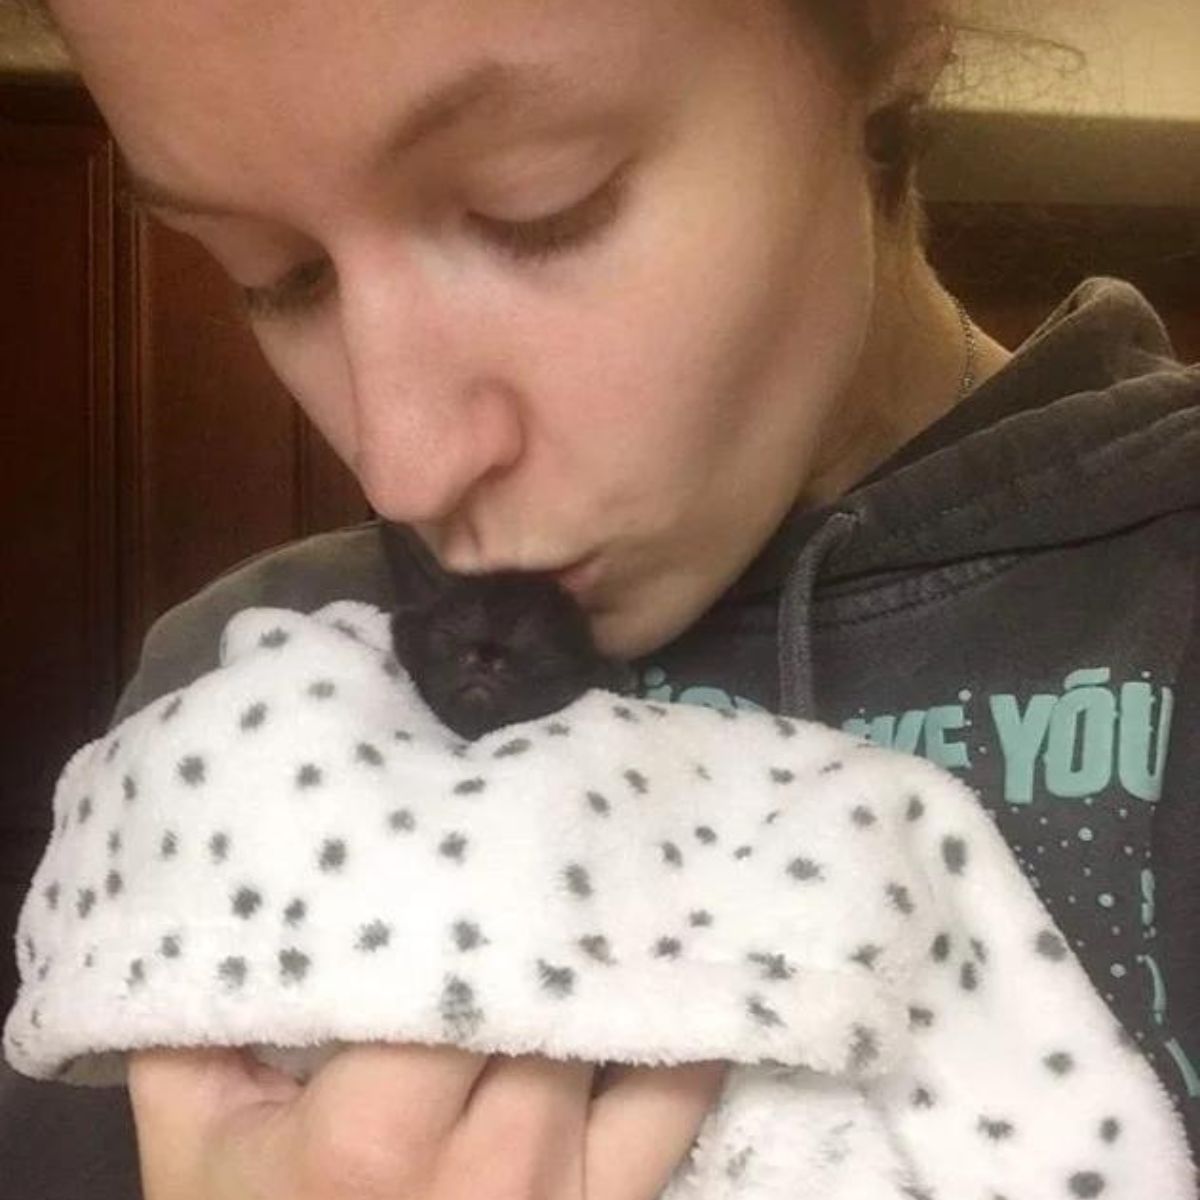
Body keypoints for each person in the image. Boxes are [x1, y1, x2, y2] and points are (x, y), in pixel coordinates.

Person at [4, 0, 1198, 1197]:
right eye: (278, 275)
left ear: (893, 25)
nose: (400, 463)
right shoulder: (229, 704)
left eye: (540, 206)